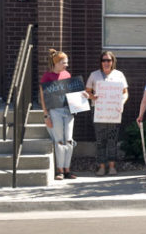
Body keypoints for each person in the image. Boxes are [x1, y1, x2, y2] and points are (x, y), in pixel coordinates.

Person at [39, 49, 84, 180]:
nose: (66, 65)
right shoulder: (47, 76)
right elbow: (43, 97)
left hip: (68, 111)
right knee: (59, 140)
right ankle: (59, 170)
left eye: (67, 63)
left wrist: (82, 96)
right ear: (56, 63)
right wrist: (46, 115)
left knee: (69, 140)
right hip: (55, 111)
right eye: (64, 62)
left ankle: (67, 169)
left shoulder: (67, 74)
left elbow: (72, 94)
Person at [86, 50, 128, 176]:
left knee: (112, 139)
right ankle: (101, 167)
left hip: (114, 111)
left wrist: (122, 102)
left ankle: (112, 166)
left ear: (112, 62)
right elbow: (87, 91)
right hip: (98, 111)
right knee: (100, 140)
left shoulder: (119, 75)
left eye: (108, 60)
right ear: (100, 62)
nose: (106, 63)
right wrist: (92, 97)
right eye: (103, 60)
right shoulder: (94, 75)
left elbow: (125, 92)